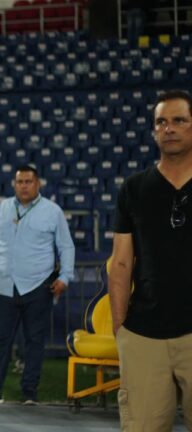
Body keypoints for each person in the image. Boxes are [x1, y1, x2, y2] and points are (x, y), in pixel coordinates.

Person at [109, 90, 192, 431]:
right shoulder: (133, 188)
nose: (168, 128)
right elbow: (121, 263)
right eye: (161, 122)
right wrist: (120, 330)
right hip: (143, 336)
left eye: (179, 120)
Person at [0, 165, 75, 406]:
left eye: (29, 181)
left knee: (34, 341)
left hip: (38, 286)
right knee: (0, 340)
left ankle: (30, 392)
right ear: (14, 184)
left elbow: (66, 246)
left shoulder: (52, 211)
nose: (24, 186)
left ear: (38, 184)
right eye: (20, 182)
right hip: (4, 286)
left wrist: (65, 276)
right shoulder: (3, 208)